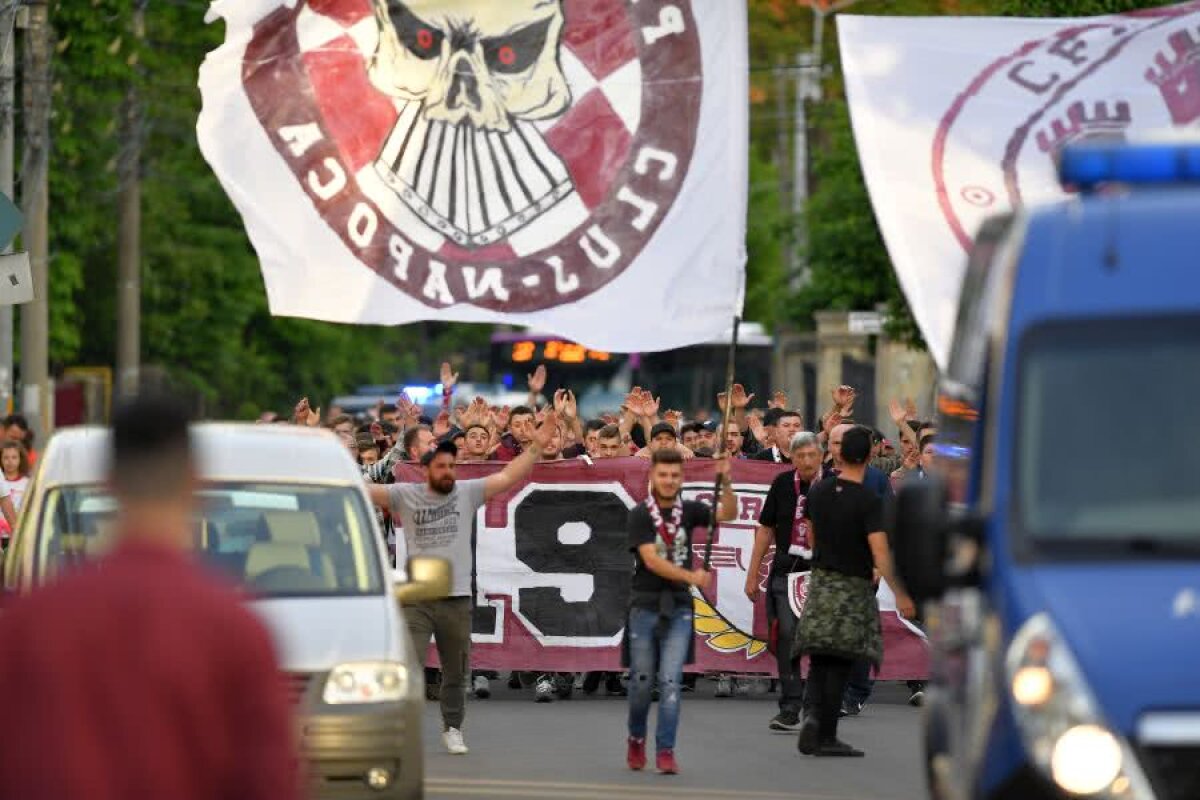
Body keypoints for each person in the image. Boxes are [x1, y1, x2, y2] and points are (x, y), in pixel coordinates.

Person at [0, 394, 299, 799]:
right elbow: (267, 782)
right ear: (195, 480)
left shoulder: (30, 623)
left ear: (109, 480)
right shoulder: (236, 631)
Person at [367, 413, 559, 755]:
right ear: (426, 470)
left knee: (455, 671)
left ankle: (453, 728)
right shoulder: (405, 495)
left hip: (455, 600)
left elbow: (509, 475)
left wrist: (536, 447)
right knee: (406, 669)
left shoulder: (466, 493)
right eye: (440, 467)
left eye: (451, 467)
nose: (447, 473)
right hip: (417, 601)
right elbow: (361, 490)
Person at [795, 425, 915, 758]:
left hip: (821, 582)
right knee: (841, 663)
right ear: (870, 455)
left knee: (820, 659)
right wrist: (902, 595)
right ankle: (827, 734)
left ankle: (811, 717)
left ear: (840, 452)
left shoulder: (818, 491)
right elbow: (880, 552)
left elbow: (809, 536)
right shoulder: (868, 500)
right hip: (853, 587)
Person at [625, 448, 737, 775]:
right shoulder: (640, 514)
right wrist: (692, 577)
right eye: (663, 474)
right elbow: (652, 560)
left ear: (682, 478)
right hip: (644, 604)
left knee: (671, 680)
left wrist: (726, 481)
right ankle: (635, 737)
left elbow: (727, 513)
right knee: (642, 682)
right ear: (652, 476)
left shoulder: (689, 510)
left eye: (675, 475)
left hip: (679, 608)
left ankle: (665, 749)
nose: (669, 480)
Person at [746, 431, 827, 732]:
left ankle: (819, 704)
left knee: (821, 641)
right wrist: (752, 573)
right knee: (785, 637)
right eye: (800, 455)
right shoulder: (782, 484)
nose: (806, 461)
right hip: (784, 569)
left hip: (822, 570)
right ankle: (791, 705)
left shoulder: (833, 485)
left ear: (822, 456)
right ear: (791, 458)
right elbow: (765, 530)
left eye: (811, 455)